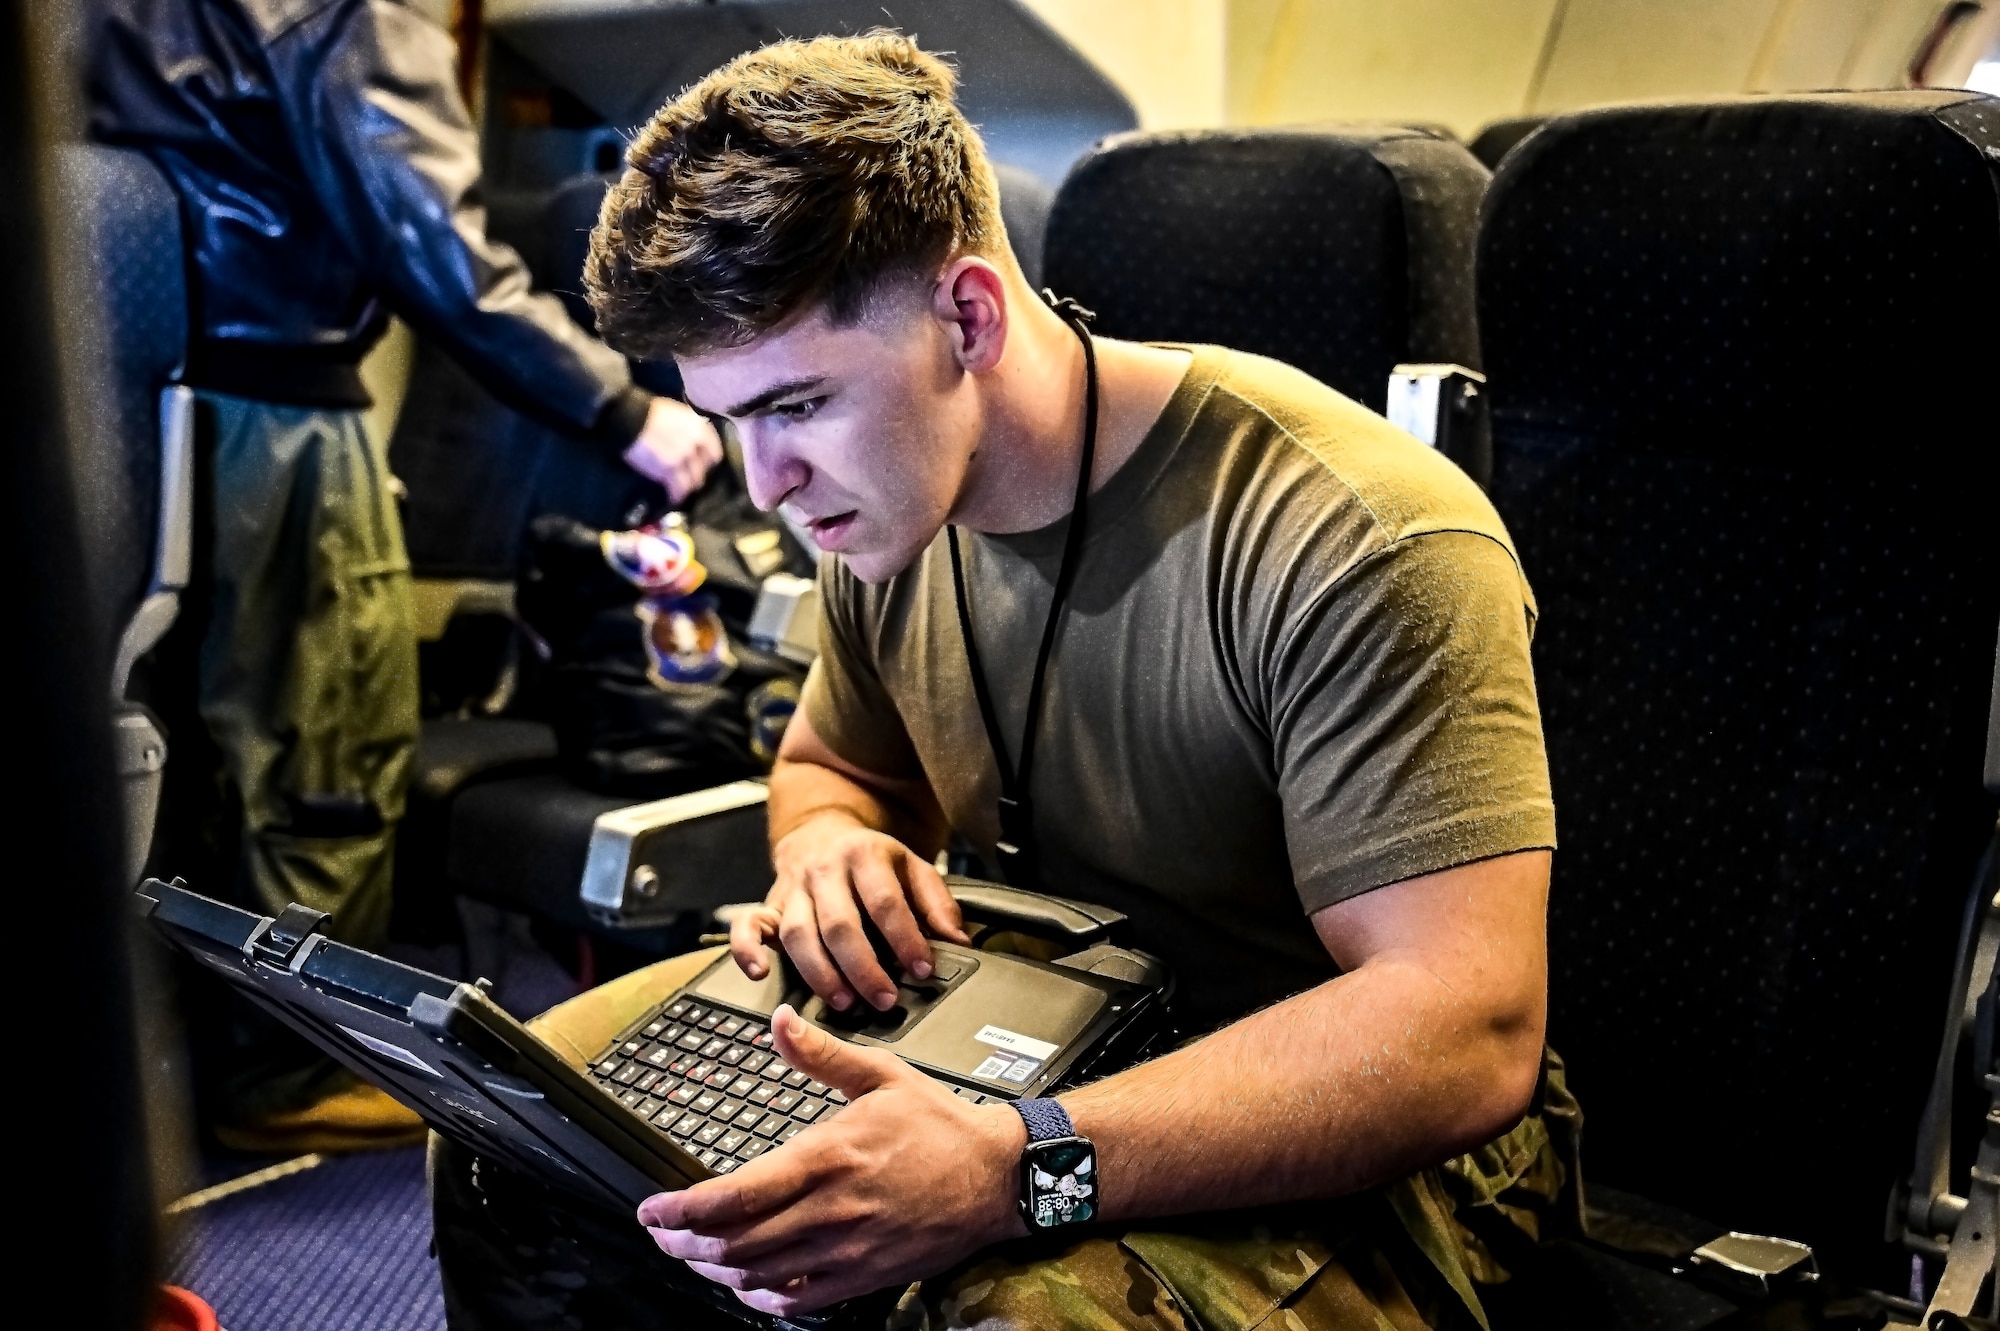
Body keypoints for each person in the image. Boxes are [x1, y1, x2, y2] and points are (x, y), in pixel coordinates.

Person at [431, 31, 1574, 1331]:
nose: (765, 484)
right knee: (508, 1127)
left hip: (1364, 1125)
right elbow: (838, 764)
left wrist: (1021, 1162)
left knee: (995, 1306)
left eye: (797, 404)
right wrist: (830, 848)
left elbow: (1461, 1030)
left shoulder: (1353, 534)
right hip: (1020, 1013)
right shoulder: (892, 505)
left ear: (968, 316)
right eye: (732, 416)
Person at [86, 0, 723, 1152]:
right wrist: (625, 409)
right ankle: (288, 1067)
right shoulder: (351, 8)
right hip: (282, 412)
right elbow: (436, 243)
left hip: (154, 391)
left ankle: (200, 1051)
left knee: (205, 752)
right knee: (329, 746)